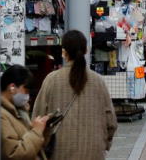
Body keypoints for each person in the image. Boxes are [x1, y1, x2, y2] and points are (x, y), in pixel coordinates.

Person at [32, 31, 117, 160]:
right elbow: (111, 121)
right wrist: (103, 143)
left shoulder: (52, 80)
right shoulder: (98, 81)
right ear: (86, 50)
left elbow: (37, 117)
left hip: (60, 151)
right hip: (93, 151)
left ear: (63, 52)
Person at [0, 65, 48, 160]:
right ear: (12, 87)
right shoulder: (1, 115)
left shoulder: (16, 111)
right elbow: (13, 153)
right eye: (26, 90)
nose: (27, 96)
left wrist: (42, 129)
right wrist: (36, 131)